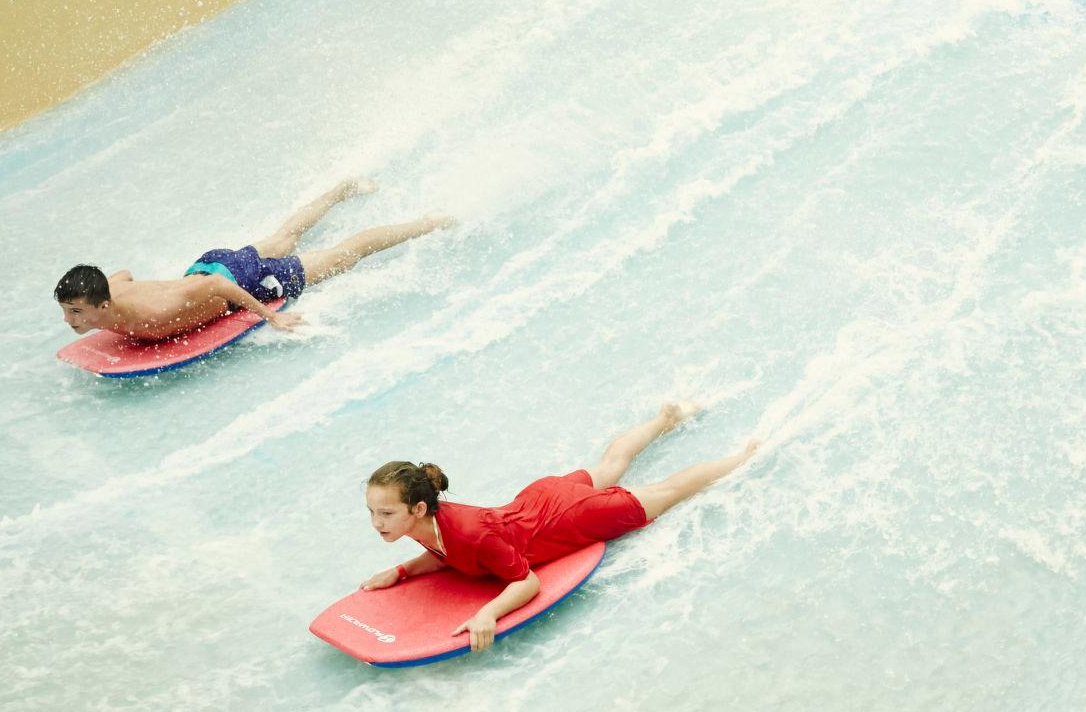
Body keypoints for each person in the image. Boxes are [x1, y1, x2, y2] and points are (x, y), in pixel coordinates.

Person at [360, 404, 759, 652]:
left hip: (567, 517)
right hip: (537, 498)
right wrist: (399, 572)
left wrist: (488, 614)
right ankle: (663, 418)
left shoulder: (470, 532)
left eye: (386, 514)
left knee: (667, 491)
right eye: (373, 512)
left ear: (417, 507)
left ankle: (745, 455)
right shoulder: (427, 524)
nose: (378, 524)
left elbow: (526, 582)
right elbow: (445, 556)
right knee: (606, 467)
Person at [54, 178, 447, 343]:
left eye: (75, 311)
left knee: (342, 257)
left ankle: (427, 223)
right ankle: (341, 190)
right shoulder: (114, 291)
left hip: (235, 281)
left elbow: (215, 288)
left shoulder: (156, 309)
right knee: (281, 238)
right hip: (209, 265)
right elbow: (121, 275)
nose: (69, 320)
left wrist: (272, 316)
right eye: (68, 311)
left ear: (102, 305)